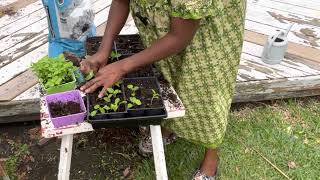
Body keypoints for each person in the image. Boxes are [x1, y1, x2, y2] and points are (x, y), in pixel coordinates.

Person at [80, 0, 246, 179]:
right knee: (167, 71)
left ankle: (211, 157)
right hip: (173, 26)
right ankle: (168, 129)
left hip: (208, 31)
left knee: (207, 88)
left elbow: (179, 36)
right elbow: (121, 1)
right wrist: (104, 50)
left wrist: (121, 67)